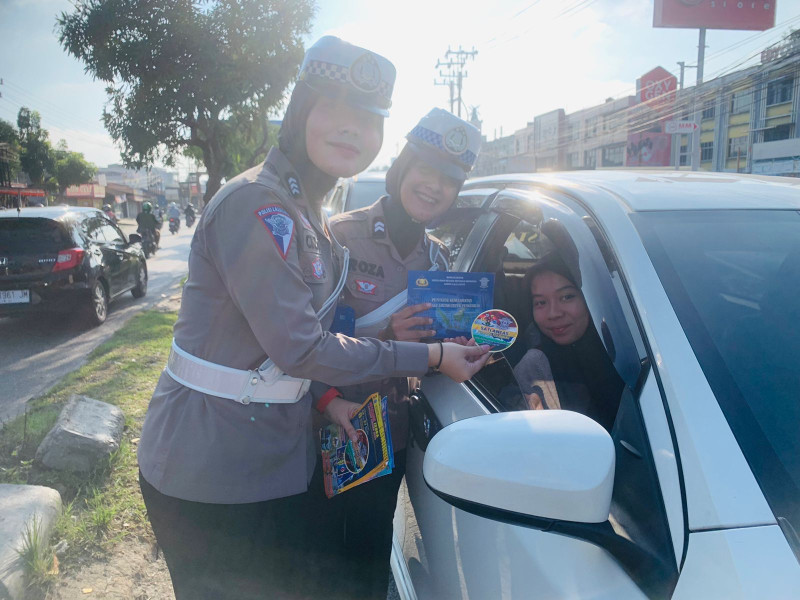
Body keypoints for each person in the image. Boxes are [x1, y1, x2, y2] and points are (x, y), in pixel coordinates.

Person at [136, 36, 489, 600]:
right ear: (301, 109)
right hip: (216, 469)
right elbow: (303, 347)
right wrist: (430, 355)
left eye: (368, 120)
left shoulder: (306, 215)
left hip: (273, 460)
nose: (352, 130)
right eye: (335, 108)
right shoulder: (260, 206)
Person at [308, 108, 482, 599]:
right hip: (334, 425)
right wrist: (386, 332)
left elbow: (436, 359)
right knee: (319, 564)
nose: (433, 187)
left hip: (393, 436)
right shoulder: (338, 237)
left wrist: (468, 351)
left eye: (448, 181)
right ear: (402, 167)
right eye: (425, 170)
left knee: (367, 566)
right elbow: (299, 341)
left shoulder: (440, 262)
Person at [513, 244, 623, 432]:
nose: (553, 313)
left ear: (591, 298)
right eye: (540, 302)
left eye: (567, 297)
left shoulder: (630, 351)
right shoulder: (536, 367)